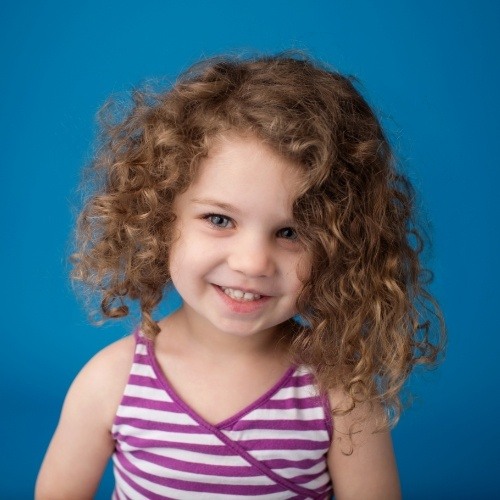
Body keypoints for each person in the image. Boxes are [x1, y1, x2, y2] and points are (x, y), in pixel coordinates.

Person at [36, 54, 445, 499]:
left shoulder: (339, 396)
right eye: (219, 220)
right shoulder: (112, 382)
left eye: (289, 232)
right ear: (159, 219)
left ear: (339, 249)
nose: (252, 263)